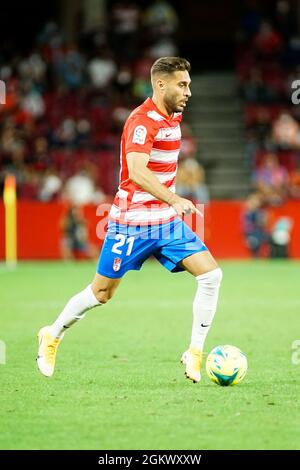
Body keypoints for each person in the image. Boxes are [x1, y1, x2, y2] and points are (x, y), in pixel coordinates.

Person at [37, 57, 223, 383]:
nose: (188, 91)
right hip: (131, 222)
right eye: (182, 84)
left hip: (165, 221)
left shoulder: (175, 116)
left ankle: (194, 352)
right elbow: (137, 171)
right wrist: (174, 198)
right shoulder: (141, 121)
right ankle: (52, 335)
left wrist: (169, 204)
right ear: (160, 84)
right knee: (101, 294)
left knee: (211, 276)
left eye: (189, 84)